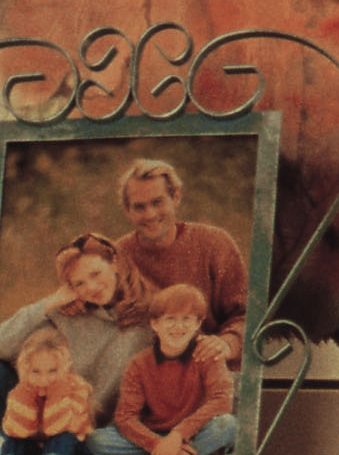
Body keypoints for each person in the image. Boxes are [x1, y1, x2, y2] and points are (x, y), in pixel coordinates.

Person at [0, 234, 145, 444]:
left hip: (93, 433)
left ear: (114, 263)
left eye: (96, 274)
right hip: (48, 417)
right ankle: (26, 452)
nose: (92, 287)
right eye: (79, 283)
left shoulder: (147, 319)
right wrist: (49, 303)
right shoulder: (67, 314)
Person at [90, 284, 238, 455]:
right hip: (154, 435)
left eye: (186, 319)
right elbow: (125, 417)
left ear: (197, 323)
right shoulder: (139, 363)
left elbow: (221, 401)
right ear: (155, 323)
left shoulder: (207, 354)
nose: (179, 327)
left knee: (227, 426)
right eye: (170, 319)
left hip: (192, 433)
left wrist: (178, 435)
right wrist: (157, 444)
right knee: (97, 441)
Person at [106, 158, 248, 371]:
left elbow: (247, 316)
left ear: (175, 197)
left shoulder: (215, 243)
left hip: (210, 370)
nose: (150, 214)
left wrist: (226, 344)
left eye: (158, 202)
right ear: (127, 211)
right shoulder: (117, 256)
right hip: (144, 374)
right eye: (139, 207)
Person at [0, 322, 96, 455]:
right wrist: (25, 391)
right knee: (14, 442)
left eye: (52, 371)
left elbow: (58, 427)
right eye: (36, 371)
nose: (44, 379)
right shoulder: (21, 392)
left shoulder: (77, 388)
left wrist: (57, 389)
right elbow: (17, 430)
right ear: (26, 369)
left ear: (64, 367)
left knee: (64, 437)